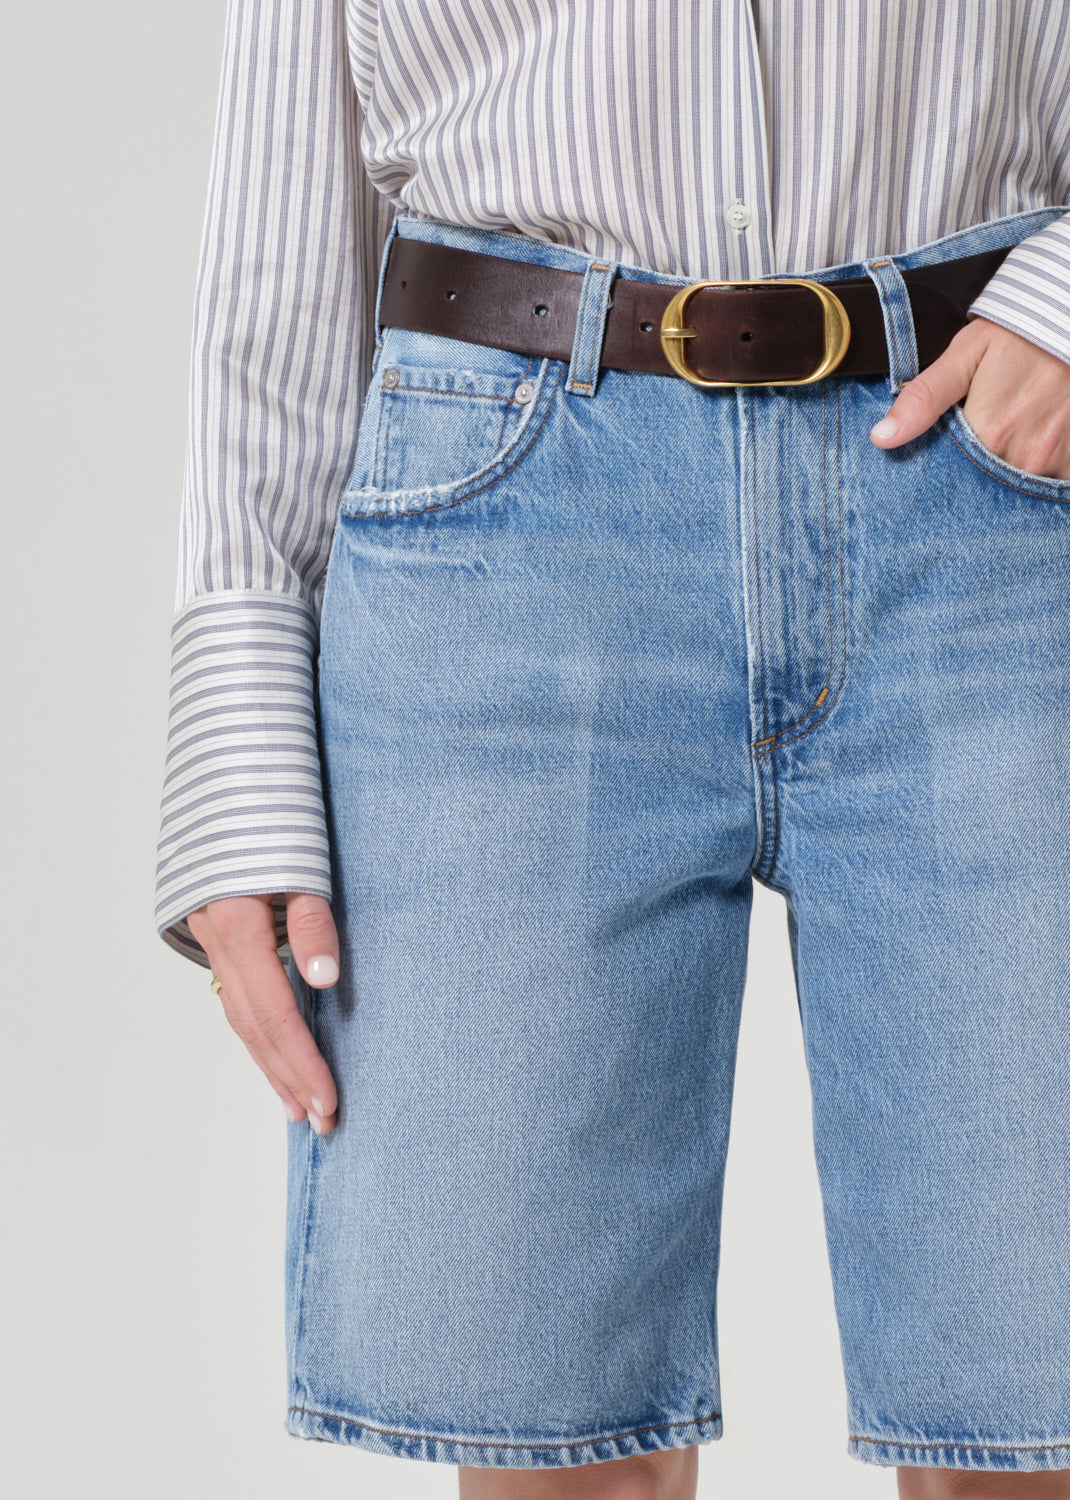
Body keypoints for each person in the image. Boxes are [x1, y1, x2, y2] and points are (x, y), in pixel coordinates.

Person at [153, 3, 1070, 1497]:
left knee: (1031, 1407)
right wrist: (238, 724)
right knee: (548, 1430)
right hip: (505, 524)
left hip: (989, 495)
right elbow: (286, 207)